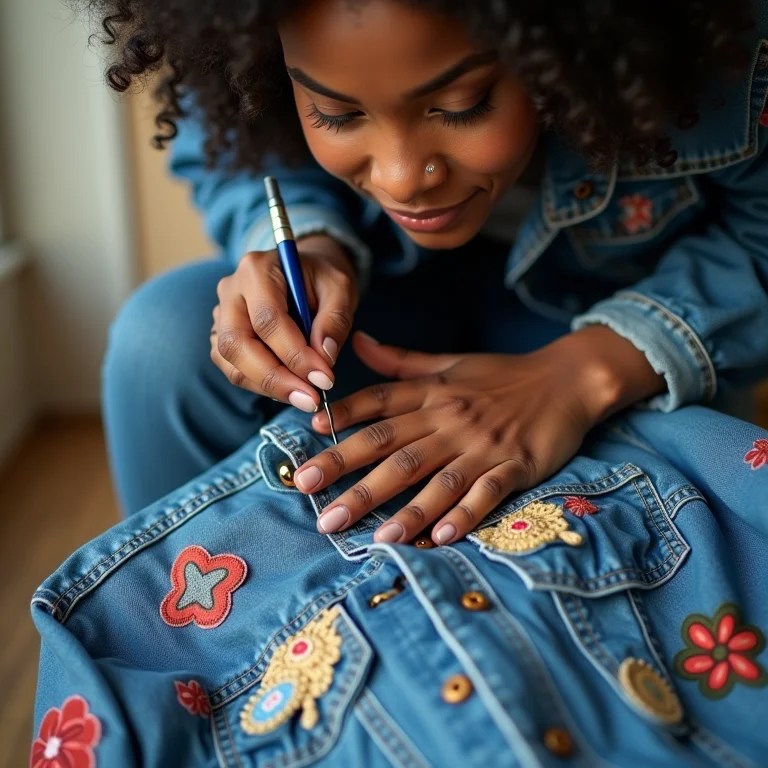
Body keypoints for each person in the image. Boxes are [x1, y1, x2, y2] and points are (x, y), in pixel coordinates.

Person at [29, 1, 768, 766]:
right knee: (162, 342)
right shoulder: (253, 66)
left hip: (617, 318)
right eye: (335, 113)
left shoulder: (722, 52)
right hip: (376, 314)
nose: (402, 177)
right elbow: (225, 143)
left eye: (462, 105)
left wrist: (589, 373)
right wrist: (306, 241)